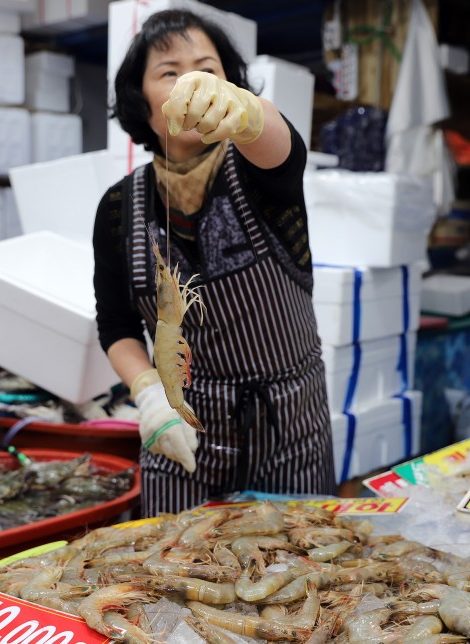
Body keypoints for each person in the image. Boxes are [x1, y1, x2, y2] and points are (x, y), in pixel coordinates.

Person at [93, 9, 337, 516]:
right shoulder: (118, 207)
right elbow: (115, 325)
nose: (192, 84)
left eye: (208, 70)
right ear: (141, 100)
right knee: (166, 578)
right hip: (182, 432)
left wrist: (249, 114)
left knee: (299, 573)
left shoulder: (257, 171)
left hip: (287, 428)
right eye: (169, 73)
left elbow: (283, 149)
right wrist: (149, 396)